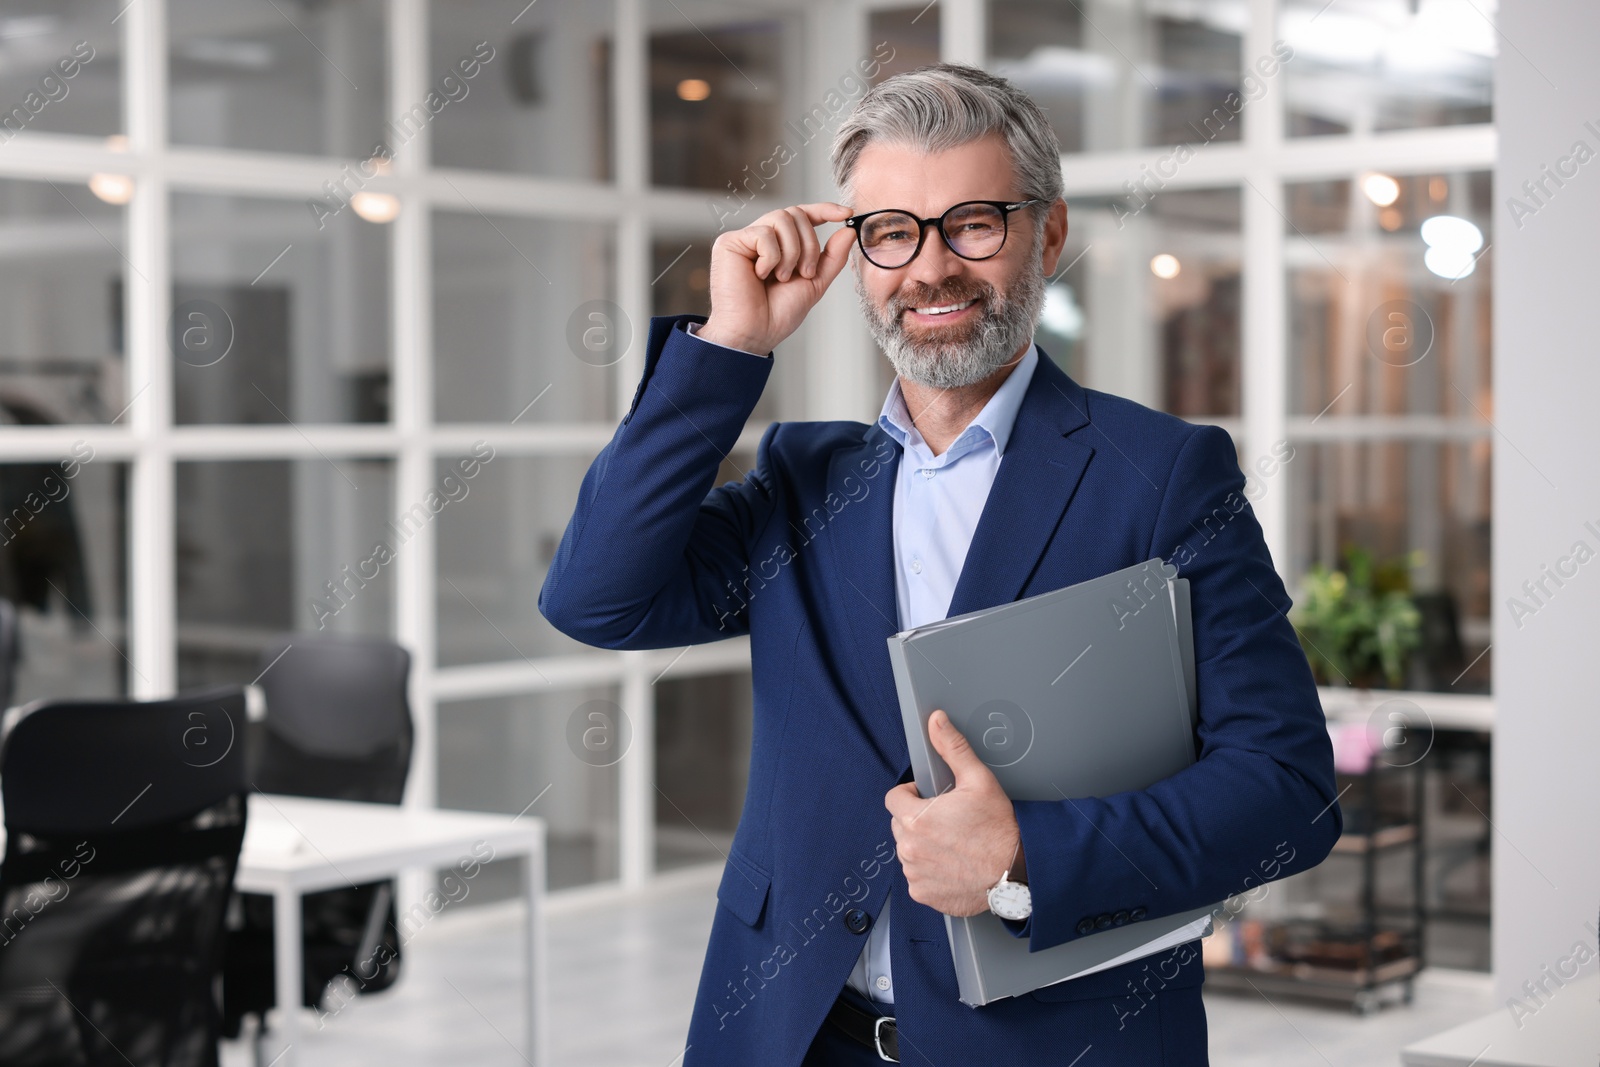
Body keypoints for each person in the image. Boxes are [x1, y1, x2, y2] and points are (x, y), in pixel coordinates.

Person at [540, 62, 1340, 1066]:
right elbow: (596, 597)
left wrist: (1023, 856)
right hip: (788, 1034)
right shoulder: (803, 479)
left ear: (1046, 234)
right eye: (891, 232)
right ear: (858, 253)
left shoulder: (1162, 477)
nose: (929, 269)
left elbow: (1287, 789)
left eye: (973, 223)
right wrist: (728, 346)